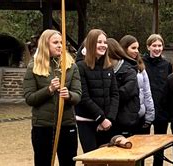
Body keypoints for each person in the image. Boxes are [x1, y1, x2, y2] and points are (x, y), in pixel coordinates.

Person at [23, 29, 81, 166]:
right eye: (55, 42)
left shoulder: (71, 66)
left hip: (67, 124)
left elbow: (78, 95)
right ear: (45, 45)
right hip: (43, 127)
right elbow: (29, 98)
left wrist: (69, 95)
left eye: (61, 43)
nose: (60, 45)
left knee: (68, 162)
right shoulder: (33, 67)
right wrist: (48, 90)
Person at [74, 29, 119, 153]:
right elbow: (84, 97)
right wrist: (101, 119)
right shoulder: (80, 67)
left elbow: (115, 94)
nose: (103, 45)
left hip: (107, 123)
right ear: (91, 43)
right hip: (87, 122)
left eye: (105, 42)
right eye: (99, 42)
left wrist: (109, 118)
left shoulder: (108, 67)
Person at [142, 34, 172, 166]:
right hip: (145, 109)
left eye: (159, 46)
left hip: (162, 110)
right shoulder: (142, 63)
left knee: (159, 146)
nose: (157, 48)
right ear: (148, 47)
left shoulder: (167, 65)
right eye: (154, 45)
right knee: (142, 144)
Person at [119, 35, 155, 134]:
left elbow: (147, 91)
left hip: (141, 115)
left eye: (137, 48)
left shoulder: (140, 66)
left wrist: (150, 115)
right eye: (133, 48)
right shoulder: (119, 67)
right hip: (125, 117)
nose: (136, 51)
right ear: (124, 48)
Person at [106, 38, 140, 137]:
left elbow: (124, 93)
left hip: (125, 120)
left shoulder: (130, 71)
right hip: (111, 120)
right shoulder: (105, 71)